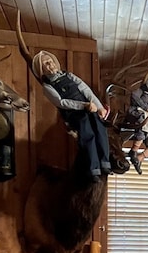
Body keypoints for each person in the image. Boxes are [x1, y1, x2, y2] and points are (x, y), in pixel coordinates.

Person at [32, 51, 112, 182]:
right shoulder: (47, 86)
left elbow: (86, 90)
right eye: (46, 63)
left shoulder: (68, 75)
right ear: (41, 69)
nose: (50, 64)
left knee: (100, 128)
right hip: (74, 113)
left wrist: (99, 107)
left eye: (51, 61)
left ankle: (105, 163)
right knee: (88, 134)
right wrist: (84, 105)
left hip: (90, 107)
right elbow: (61, 102)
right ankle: (93, 169)